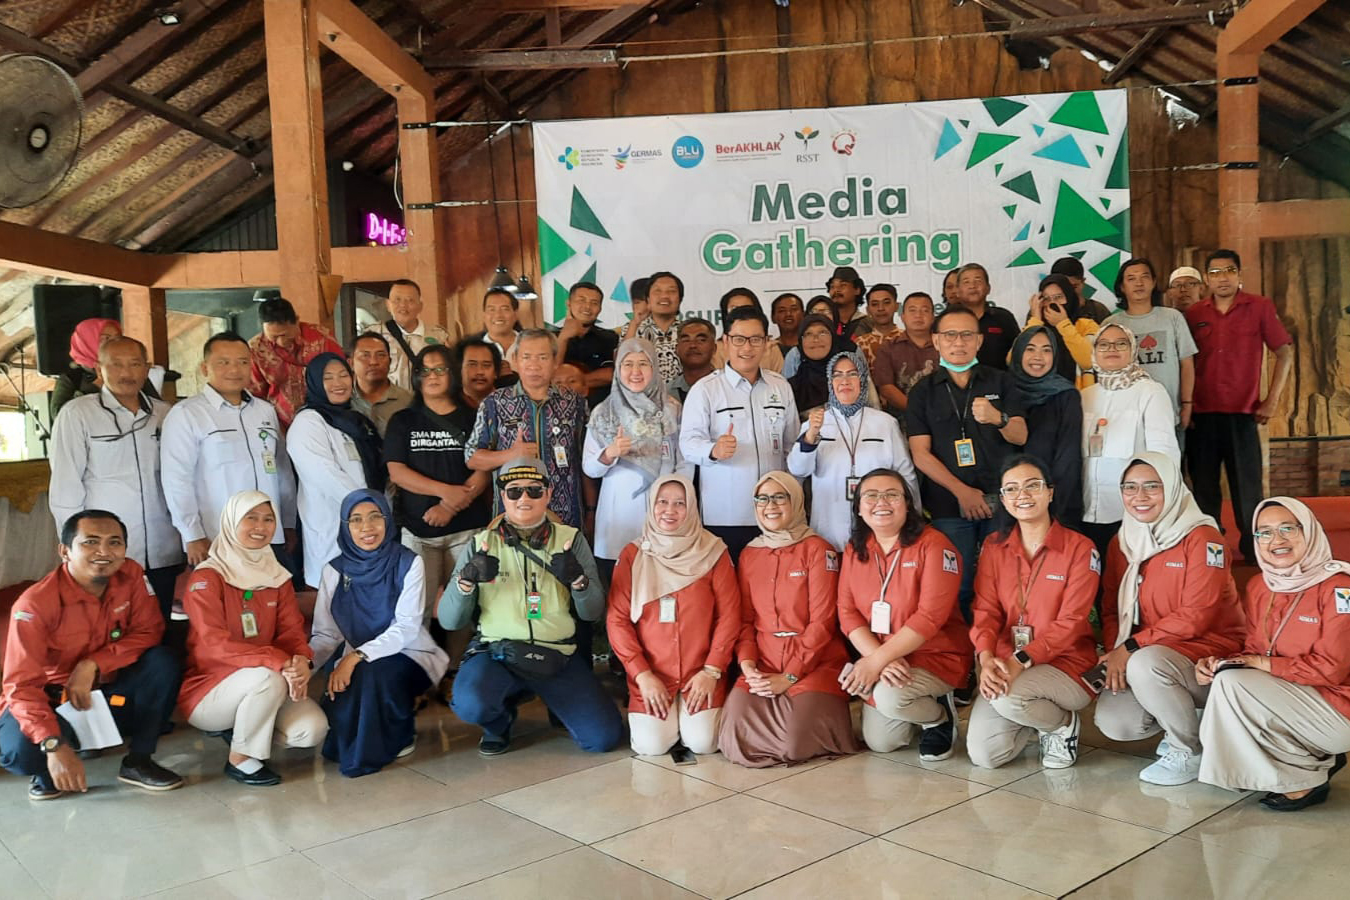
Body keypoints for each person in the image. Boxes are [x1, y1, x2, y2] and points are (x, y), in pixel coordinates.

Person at [439, 459, 622, 756]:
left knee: (603, 738)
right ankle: (499, 722)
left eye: (534, 491)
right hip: (499, 652)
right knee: (472, 702)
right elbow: (449, 620)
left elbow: (593, 612)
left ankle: (554, 700)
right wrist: (466, 580)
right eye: (514, 492)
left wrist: (578, 581)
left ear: (548, 495)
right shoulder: (480, 544)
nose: (524, 499)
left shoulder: (571, 541)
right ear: (502, 497)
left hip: (557, 654)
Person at [1, 511, 183, 799]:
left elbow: (149, 631)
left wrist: (93, 664)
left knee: (163, 662)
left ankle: (138, 761)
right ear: (65, 551)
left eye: (115, 543)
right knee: (19, 752)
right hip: (53, 702)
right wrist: (52, 743)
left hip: (110, 694)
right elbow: (20, 686)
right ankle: (50, 768)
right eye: (91, 542)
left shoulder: (132, 575)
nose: (104, 552)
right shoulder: (36, 604)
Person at [1096, 452, 1245, 785]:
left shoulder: (1204, 538)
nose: (1140, 496)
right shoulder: (1122, 542)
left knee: (1144, 664)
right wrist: (1116, 650)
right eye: (1130, 487)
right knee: (1117, 723)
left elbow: (1196, 617)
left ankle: (1188, 750)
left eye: (1153, 486)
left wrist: (1131, 648)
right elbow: (1110, 609)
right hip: (1149, 654)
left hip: (1208, 653)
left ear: (1175, 488)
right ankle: (1186, 715)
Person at [1198, 498, 1350, 810]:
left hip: (1340, 706)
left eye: (1287, 529)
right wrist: (1221, 663)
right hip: (1298, 698)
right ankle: (1305, 761)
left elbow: (1332, 669)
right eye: (1263, 533)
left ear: (1309, 532)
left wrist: (1260, 664)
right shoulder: (1260, 586)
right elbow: (1255, 649)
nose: (1276, 540)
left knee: (1233, 683)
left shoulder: (1340, 589)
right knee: (1226, 677)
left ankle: (1303, 781)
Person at [179, 492, 328, 786]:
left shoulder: (277, 576)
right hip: (210, 691)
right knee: (266, 678)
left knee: (311, 730)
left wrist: (301, 662)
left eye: (268, 519)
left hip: (268, 679)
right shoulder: (208, 578)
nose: (261, 526)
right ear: (231, 521)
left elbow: (292, 632)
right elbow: (214, 644)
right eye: (251, 518)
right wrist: (279, 661)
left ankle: (246, 728)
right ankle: (242, 757)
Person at [717, 472, 860, 767]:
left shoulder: (818, 549)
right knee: (733, 732)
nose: (770, 505)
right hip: (765, 658)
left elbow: (823, 623)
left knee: (795, 742)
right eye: (762, 498)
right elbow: (744, 621)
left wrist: (790, 675)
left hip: (816, 660)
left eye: (780, 497)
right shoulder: (749, 554)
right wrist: (748, 666)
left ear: (795, 501)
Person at [967, 456, 1099, 770]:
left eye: (1032, 486)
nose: (1022, 495)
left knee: (1008, 697)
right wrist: (987, 659)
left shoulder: (1080, 548)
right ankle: (1031, 716)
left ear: (1050, 492)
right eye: (1011, 489)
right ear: (1002, 499)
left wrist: (1021, 659)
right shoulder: (993, 547)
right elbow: (984, 610)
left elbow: (1072, 622)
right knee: (986, 756)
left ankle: (1061, 724)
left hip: (1067, 664)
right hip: (1008, 662)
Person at [311, 490, 450, 777]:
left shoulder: (408, 562)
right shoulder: (334, 570)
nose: (367, 528)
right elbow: (326, 634)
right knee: (341, 705)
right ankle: (377, 734)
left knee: (371, 674)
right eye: (356, 520)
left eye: (376, 517)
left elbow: (407, 627)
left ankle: (396, 735)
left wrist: (356, 658)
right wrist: (306, 665)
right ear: (345, 526)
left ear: (388, 521)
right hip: (356, 657)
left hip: (409, 654)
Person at [838, 470, 971, 760]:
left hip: (935, 654)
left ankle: (939, 716)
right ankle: (915, 706)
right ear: (859, 508)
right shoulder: (855, 549)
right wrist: (878, 660)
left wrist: (875, 662)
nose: (881, 502)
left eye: (892, 494)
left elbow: (929, 618)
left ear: (908, 504)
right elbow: (847, 613)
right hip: (885, 656)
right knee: (882, 742)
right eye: (870, 495)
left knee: (889, 699)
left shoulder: (935, 545)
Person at [49, 336, 184, 619]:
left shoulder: (165, 414)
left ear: (146, 369)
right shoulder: (78, 414)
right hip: (105, 551)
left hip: (163, 544)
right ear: (99, 370)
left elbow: (181, 476)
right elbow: (65, 484)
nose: (127, 373)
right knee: (107, 626)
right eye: (117, 365)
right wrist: (73, 543)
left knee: (157, 626)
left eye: (135, 364)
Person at [907, 306, 1028, 619]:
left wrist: (997, 417)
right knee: (956, 585)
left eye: (966, 335)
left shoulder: (1002, 382)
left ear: (979, 341)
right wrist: (962, 491)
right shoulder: (923, 391)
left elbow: (1021, 435)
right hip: (950, 504)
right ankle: (963, 659)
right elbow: (920, 453)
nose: (958, 342)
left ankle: (1000, 652)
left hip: (1002, 501)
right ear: (936, 341)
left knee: (1003, 582)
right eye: (949, 335)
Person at [607, 475, 740, 756]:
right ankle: (670, 717)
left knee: (703, 743)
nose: (670, 510)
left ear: (692, 507)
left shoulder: (713, 551)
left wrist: (711, 670)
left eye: (680, 503)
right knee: (650, 746)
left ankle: (687, 718)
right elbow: (617, 620)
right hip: (653, 674)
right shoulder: (633, 554)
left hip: (701, 672)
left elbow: (730, 615)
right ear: (651, 505)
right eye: (662, 502)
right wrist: (641, 674)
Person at [1186, 249, 1294, 564]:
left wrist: (1272, 400)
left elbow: (1284, 352)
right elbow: (1186, 363)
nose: (1223, 278)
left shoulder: (1258, 307)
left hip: (1243, 414)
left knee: (1248, 490)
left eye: (1229, 270)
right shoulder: (1194, 314)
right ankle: (1211, 551)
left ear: (1239, 274)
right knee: (1204, 489)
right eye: (1216, 272)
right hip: (1201, 416)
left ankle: (1255, 552)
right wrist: (1186, 405)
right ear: (1206, 278)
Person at [161, 332, 297, 568]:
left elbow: (281, 468)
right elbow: (176, 479)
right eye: (223, 362)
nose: (235, 370)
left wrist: (288, 521)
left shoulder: (264, 411)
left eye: (243, 362)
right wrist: (192, 534)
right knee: (225, 603)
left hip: (268, 535)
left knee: (271, 601)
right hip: (218, 537)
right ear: (205, 368)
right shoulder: (188, 414)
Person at [679, 306, 799, 561]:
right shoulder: (706, 389)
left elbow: (791, 446)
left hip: (775, 513)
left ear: (767, 343)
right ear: (725, 342)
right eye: (739, 339)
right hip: (726, 514)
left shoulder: (780, 386)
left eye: (756, 339)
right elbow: (688, 444)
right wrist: (712, 450)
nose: (747, 348)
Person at [384, 345, 492, 627]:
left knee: (466, 605)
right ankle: (422, 667)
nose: (432, 376)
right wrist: (444, 492)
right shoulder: (403, 420)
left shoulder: (473, 417)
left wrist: (449, 506)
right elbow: (397, 472)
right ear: (417, 377)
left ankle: (458, 667)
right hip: (419, 532)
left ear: (452, 374)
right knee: (418, 607)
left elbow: (484, 467)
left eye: (440, 369)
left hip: (467, 529)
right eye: (425, 370)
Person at [789, 351, 919, 550]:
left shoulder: (885, 423)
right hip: (829, 529)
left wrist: (912, 520)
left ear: (863, 380)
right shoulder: (815, 423)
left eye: (852, 374)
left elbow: (905, 474)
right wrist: (811, 436)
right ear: (830, 382)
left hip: (879, 531)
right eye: (837, 375)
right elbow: (798, 470)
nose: (845, 381)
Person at [583, 339, 690, 573]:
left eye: (643, 363)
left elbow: (684, 461)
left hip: (665, 510)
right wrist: (610, 453)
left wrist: (676, 495)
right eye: (627, 364)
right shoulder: (605, 411)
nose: (635, 371)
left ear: (654, 368)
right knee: (619, 583)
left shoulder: (672, 409)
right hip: (619, 511)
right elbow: (589, 467)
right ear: (618, 369)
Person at [466, 329, 588, 526]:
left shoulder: (574, 403)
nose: (534, 365)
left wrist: (590, 510)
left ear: (555, 361)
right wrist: (511, 454)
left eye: (542, 357)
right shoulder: (495, 403)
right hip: (513, 515)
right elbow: (471, 457)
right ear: (515, 359)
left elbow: (585, 461)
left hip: (566, 515)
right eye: (526, 357)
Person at [1079, 325, 1180, 559]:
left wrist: (1159, 509)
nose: (1111, 349)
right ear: (1094, 351)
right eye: (1103, 344)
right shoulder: (1085, 396)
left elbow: (1164, 455)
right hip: (1086, 509)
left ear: (1133, 349)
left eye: (1120, 343)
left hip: (1131, 512)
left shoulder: (1150, 392)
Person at [286, 353, 384, 587]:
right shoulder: (308, 422)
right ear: (315, 383)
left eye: (343, 375)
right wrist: (368, 506)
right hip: (332, 523)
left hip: (368, 521)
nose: (338, 383)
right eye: (328, 378)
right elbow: (325, 475)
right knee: (335, 595)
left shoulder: (356, 420)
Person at [1102, 258, 1196, 435]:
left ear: (1153, 282)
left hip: (1169, 414)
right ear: (1122, 287)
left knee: (1170, 462)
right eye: (1131, 278)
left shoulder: (1172, 317)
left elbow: (1187, 364)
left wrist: (1186, 404)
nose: (1139, 283)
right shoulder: (1111, 324)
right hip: (1125, 416)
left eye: (1144, 277)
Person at [1010, 327, 1083, 528]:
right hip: (1009, 501)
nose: (1038, 357)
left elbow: (1068, 457)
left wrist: (1054, 508)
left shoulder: (1066, 395)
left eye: (1047, 350)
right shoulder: (1004, 389)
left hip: (1053, 502)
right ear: (1018, 353)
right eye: (1030, 349)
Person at [247, 296, 344, 429]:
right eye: (274, 337)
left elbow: (342, 376)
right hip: (280, 426)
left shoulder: (321, 339)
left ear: (297, 321)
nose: (281, 342)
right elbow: (255, 395)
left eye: (285, 334)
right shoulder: (256, 349)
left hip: (326, 420)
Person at [872, 291, 940, 421]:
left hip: (942, 416)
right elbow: (886, 387)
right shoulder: (888, 348)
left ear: (933, 317)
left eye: (925, 311)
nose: (918, 315)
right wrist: (916, 410)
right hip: (902, 419)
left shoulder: (946, 346)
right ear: (902, 316)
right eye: (912, 310)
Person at [1025, 274, 1099, 383]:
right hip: (1039, 395)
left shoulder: (1087, 325)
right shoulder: (1036, 327)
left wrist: (1063, 324)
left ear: (1069, 297)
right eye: (1046, 298)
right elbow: (1013, 360)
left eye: (1058, 297)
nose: (1052, 303)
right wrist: (1035, 321)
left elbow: (1089, 362)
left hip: (1079, 395)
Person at [378, 278, 449, 390]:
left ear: (420, 306)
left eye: (410, 300)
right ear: (388, 305)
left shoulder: (439, 336)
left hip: (426, 401)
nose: (403, 305)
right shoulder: (375, 336)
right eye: (397, 300)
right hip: (390, 403)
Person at [556, 281, 620, 404]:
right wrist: (563, 338)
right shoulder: (550, 337)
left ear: (600, 309)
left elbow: (612, 374)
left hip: (601, 407)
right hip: (559, 409)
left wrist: (570, 382)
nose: (587, 307)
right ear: (568, 304)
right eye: (581, 300)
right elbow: (551, 373)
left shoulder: (609, 337)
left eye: (594, 303)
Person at [953, 263, 1019, 370]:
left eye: (978, 281)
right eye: (966, 282)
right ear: (957, 291)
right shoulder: (948, 320)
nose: (972, 286)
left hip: (999, 383)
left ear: (988, 288)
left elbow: (1018, 353)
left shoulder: (1004, 317)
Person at [349, 331, 412, 437]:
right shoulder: (343, 401)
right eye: (365, 355)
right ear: (351, 363)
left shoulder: (408, 402)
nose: (373, 362)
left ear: (390, 362)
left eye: (381, 355)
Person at [787, 314, 852, 416]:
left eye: (823, 333)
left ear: (833, 338)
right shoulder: (790, 387)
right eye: (808, 334)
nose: (816, 339)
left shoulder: (852, 378)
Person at [627, 271, 684, 384]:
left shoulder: (688, 330)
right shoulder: (631, 329)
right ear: (648, 299)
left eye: (671, 291)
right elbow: (621, 363)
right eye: (657, 291)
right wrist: (635, 324)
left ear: (680, 299)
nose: (664, 296)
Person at [710, 288, 786, 373]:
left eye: (746, 308)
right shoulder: (716, 350)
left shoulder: (771, 348)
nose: (741, 314)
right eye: (734, 309)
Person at [852, 283, 903, 367]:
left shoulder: (908, 340)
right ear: (868, 310)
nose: (881, 308)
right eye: (875, 304)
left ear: (896, 306)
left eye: (886, 303)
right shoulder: (859, 344)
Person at [1049, 257, 1112, 324]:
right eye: (1063, 288)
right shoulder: (1044, 311)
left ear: (1083, 282)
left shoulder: (1098, 310)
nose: (1068, 292)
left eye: (1073, 287)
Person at [667, 318, 716, 403]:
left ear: (714, 348)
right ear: (677, 349)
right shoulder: (665, 394)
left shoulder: (728, 388)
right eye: (686, 340)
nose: (693, 345)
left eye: (701, 340)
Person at [478, 287, 521, 378]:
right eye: (491, 309)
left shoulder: (529, 344)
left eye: (505, 309)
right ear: (484, 315)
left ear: (516, 314)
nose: (498, 315)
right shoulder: (474, 349)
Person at [454, 337, 501, 409]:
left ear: (495, 372)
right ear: (459, 369)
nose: (480, 372)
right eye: (472, 365)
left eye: (486, 365)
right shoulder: (449, 405)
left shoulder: (509, 403)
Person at [827, 265, 871, 339]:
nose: (836, 290)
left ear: (857, 290)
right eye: (832, 286)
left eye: (843, 285)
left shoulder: (868, 324)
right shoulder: (825, 322)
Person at [770, 292, 804, 360]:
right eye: (782, 311)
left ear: (803, 315)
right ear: (773, 318)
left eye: (794, 309)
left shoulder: (811, 346)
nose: (788, 314)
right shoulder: (769, 350)